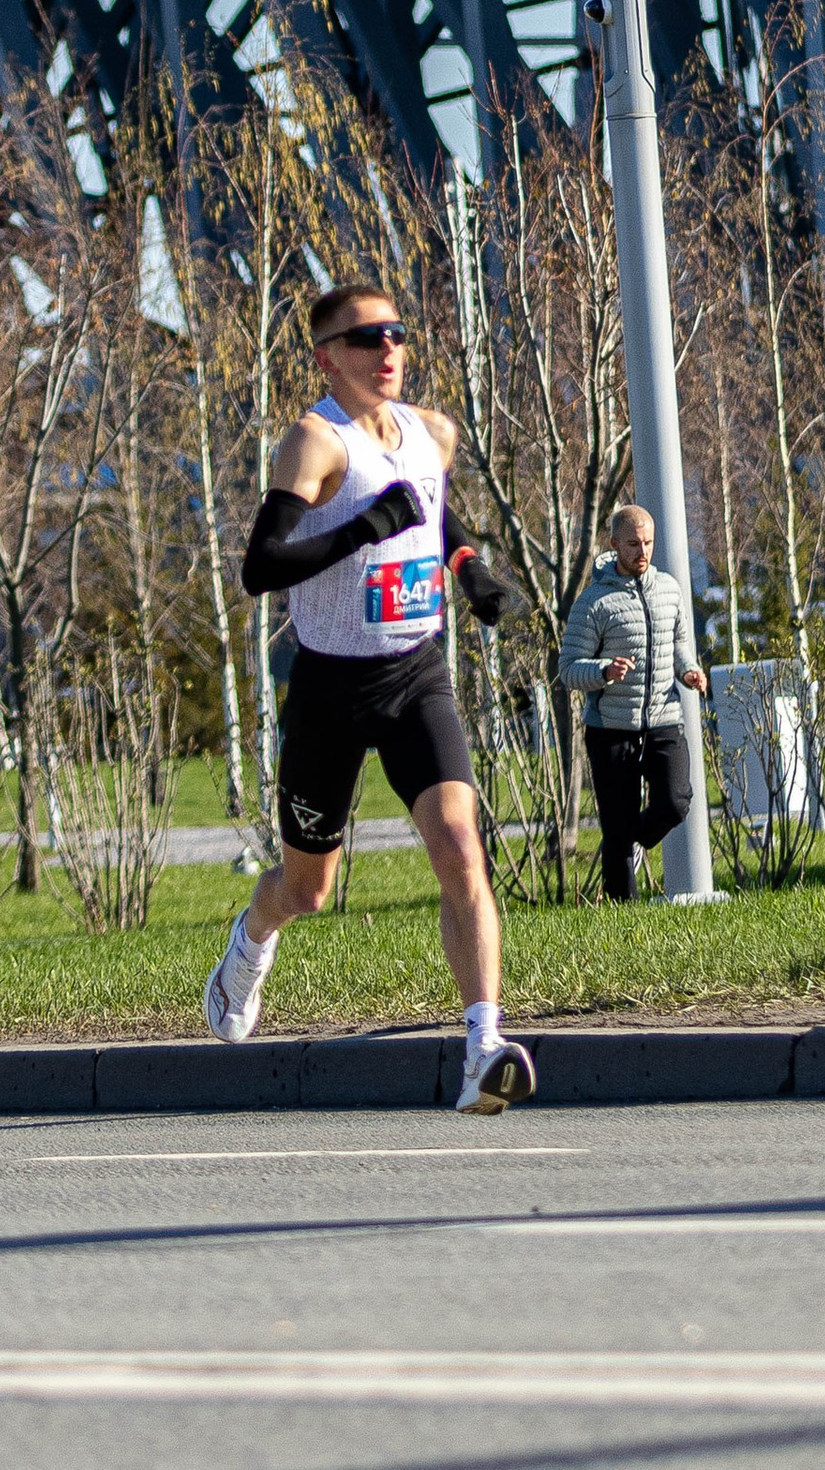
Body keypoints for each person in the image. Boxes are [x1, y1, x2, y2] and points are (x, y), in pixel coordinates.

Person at [201, 281, 535, 1113]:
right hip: (330, 687)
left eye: (396, 334)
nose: (387, 350)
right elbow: (259, 568)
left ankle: (482, 1047)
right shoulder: (315, 443)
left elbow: (431, 515)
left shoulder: (433, 433)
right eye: (365, 339)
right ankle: (250, 943)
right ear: (326, 358)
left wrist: (472, 571)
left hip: (416, 673)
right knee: (307, 888)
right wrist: (356, 530)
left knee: (461, 843)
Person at [557, 502, 709, 902]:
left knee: (676, 802)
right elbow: (568, 669)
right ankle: (624, 916)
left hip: (663, 718)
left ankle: (630, 838)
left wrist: (689, 670)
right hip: (611, 728)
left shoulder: (670, 590)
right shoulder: (594, 603)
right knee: (616, 826)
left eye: (648, 543)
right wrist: (604, 670)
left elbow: (678, 644)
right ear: (614, 545)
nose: (642, 552)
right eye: (633, 544)